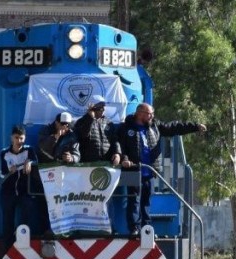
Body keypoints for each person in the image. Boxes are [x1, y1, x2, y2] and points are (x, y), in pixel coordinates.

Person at [114, 103, 206, 235]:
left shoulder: (155, 126)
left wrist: (195, 127)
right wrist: (124, 159)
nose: (151, 116)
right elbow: (120, 146)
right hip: (132, 170)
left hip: (149, 171)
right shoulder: (126, 128)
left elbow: (174, 127)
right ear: (139, 113)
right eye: (149, 114)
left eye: (152, 113)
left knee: (146, 201)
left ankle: (146, 229)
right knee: (133, 200)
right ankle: (134, 228)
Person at [0, 125, 38, 248]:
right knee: (7, 220)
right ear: (12, 138)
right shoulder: (4, 153)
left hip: (24, 190)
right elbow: (2, 173)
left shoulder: (29, 150)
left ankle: (22, 243)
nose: (19, 141)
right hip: (8, 191)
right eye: (16, 138)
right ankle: (8, 248)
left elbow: (37, 164)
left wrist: (30, 162)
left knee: (27, 211)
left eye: (21, 138)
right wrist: (10, 171)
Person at [74, 95, 120, 165]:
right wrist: (90, 118)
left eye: (103, 107)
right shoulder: (82, 121)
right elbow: (83, 135)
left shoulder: (108, 122)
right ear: (93, 109)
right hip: (88, 164)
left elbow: (114, 140)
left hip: (106, 162)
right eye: (100, 108)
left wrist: (117, 153)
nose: (103, 110)